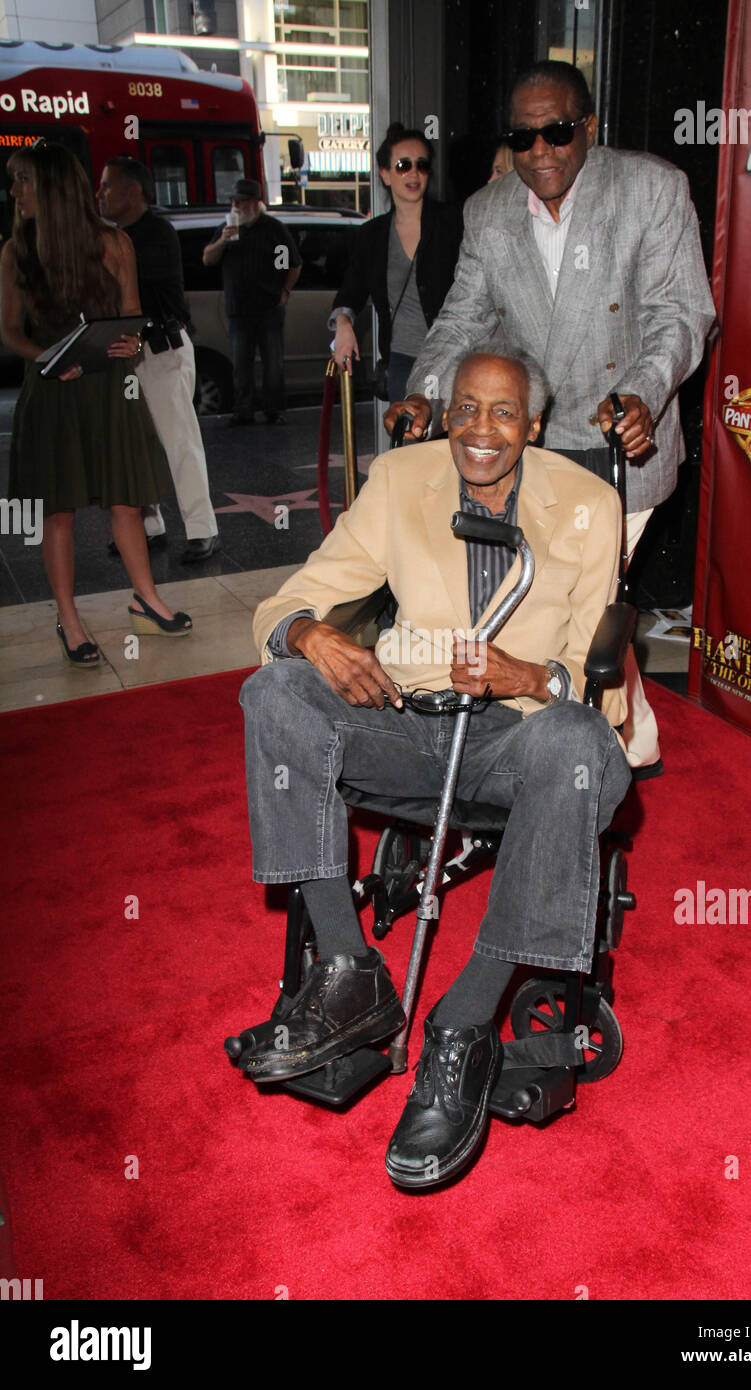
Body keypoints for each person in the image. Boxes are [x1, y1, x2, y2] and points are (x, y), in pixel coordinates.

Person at [236, 348, 632, 1189]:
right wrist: (310, 634)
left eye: (502, 414)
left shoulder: (590, 505)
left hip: (520, 738)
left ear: (531, 425)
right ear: (446, 411)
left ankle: (464, 1023)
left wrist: (533, 678)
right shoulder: (400, 479)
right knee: (275, 693)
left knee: (571, 743)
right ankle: (348, 976)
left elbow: (596, 678)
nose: (478, 430)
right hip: (410, 723)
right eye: (465, 409)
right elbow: (295, 595)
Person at [386, 60, 717, 776]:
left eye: (558, 133)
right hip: (528, 446)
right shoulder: (489, 210)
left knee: (588, 602)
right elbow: (461, 321)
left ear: (589, 128)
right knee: (569, 603)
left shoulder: (652, 190)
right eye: (524, 136)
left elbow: (682, 315)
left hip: (618, 443)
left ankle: (600, 753)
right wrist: (428, 391)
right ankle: (628, 734)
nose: (540, 152)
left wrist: (641, 393)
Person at [0, 142, 192, 665]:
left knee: (126, 499)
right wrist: (50, 356)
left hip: (109, 387)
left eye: (22, 180)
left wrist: (130, 343)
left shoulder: (113, 244)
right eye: (13, 181)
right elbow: (10, 333)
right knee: (56, 510)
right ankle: (69, 619)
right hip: (52, 388)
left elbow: (131, 314)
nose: (14, 191)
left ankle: (147, 599)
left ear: (53, 187)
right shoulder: (16, 252)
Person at [97, 156, 221, 563]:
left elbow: (139, 289)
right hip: (125, 354)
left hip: (161, 349)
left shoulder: (156, 234)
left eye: (107, 186)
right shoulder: (114, 236)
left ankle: (203, 530)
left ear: (133, 191)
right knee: (136, 444)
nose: (99, 194)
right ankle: (150, 527)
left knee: (179, 441)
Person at [329, 122, 463, 402]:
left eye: (421, 165)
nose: (413, 173)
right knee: (407, 441)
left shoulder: (452, 223)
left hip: (453, 357)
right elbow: (351, 292)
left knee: (451, 443)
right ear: (385, 174)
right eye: (403, 165)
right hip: (403, 359)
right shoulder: (371, 236)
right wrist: (343, 325)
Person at [202, 178, 301, 426]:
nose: (236, 207)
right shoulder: (228, 228)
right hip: (238, 309)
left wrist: (284, 291)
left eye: (241, 202)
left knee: (273, 364)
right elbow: (207, 259)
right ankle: (243, 409)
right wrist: (223, 240)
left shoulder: (273, 229)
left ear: (255, 204)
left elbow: (292, 263)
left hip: (268, 307)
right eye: (234, 202)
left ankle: (274, 409)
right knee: (240, 364)